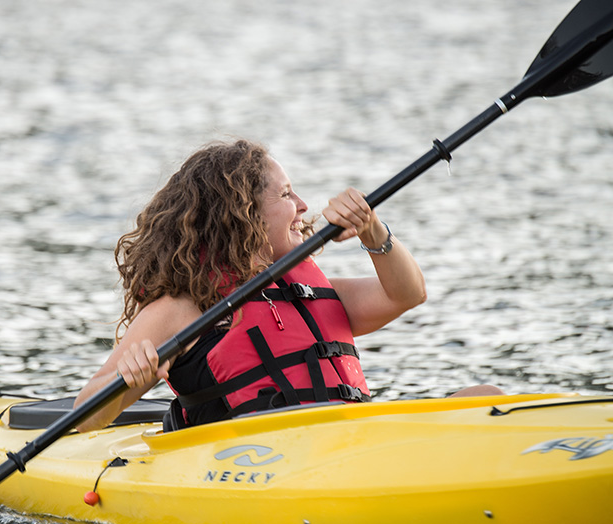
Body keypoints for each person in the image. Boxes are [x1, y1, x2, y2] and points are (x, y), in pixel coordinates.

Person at [75, 140, 500, 432]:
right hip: (262, 462)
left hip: (347, 442)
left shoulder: (309, 291)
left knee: (487, 396)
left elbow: (406, 294)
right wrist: (129, 380)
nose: (303, 207)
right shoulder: (182, 308)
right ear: (241, 214)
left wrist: (373, 231)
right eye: (286, 195)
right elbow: (84, 413)